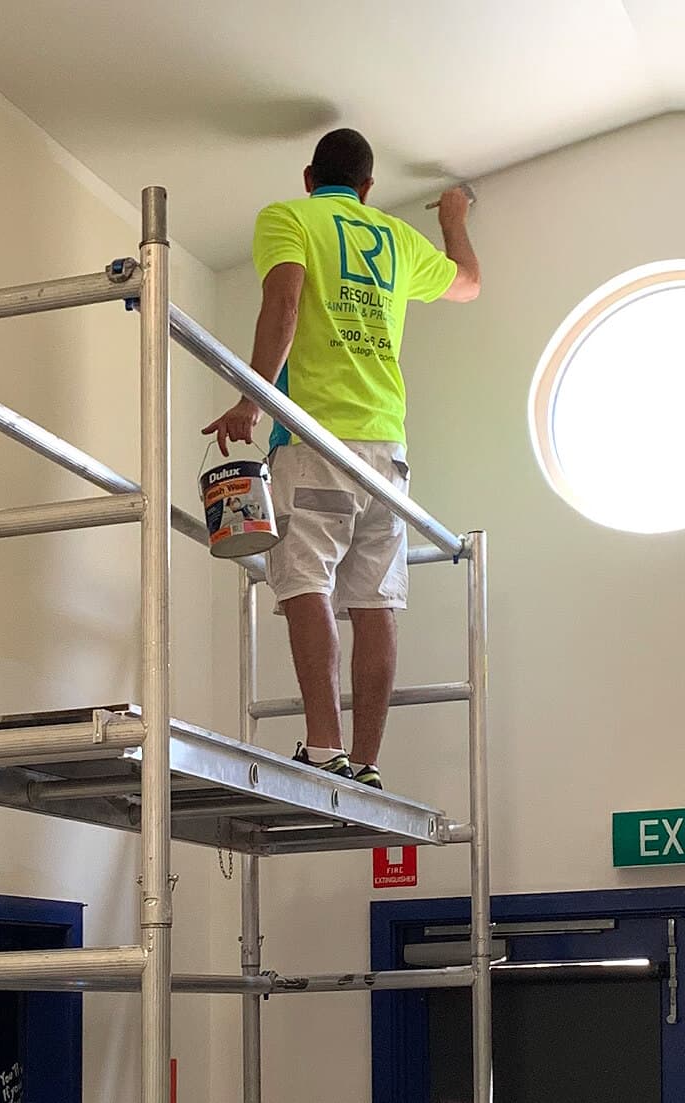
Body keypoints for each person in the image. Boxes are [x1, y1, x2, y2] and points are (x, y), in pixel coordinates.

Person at [203, 128, 480, 789]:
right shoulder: (396, 239)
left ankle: (325, 748)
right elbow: (469, 283)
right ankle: (367, 762)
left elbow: (284, 302)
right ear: (368, 187)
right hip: (386, 448)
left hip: (315, 437)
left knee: (306, 582)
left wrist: (252, 400)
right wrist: (453, 216)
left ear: (309, 177)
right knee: (375, 601)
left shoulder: (290, 218)